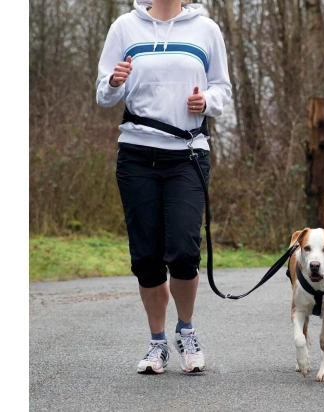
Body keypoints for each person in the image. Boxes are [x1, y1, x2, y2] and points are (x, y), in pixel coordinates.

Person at [95, 0, 232, 374]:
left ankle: (186, 331)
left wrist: (207, 101)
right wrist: (114, 81)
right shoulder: (125, 26)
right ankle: (157, 345)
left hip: (187, 155)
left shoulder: (206, 29)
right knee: (146, 257)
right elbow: (103, 93)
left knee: (184, 252)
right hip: (137, 154)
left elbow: (223, 90)